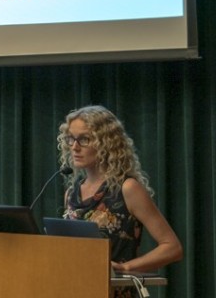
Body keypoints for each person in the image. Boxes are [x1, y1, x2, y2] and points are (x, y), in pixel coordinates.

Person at [57, 105, 183, 282]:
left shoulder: (127, 189)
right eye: (71, 139)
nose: (75, 147)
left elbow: (172, 248)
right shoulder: (71, 194)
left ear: (106, 143)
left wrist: (125, 268)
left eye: (84, 139)